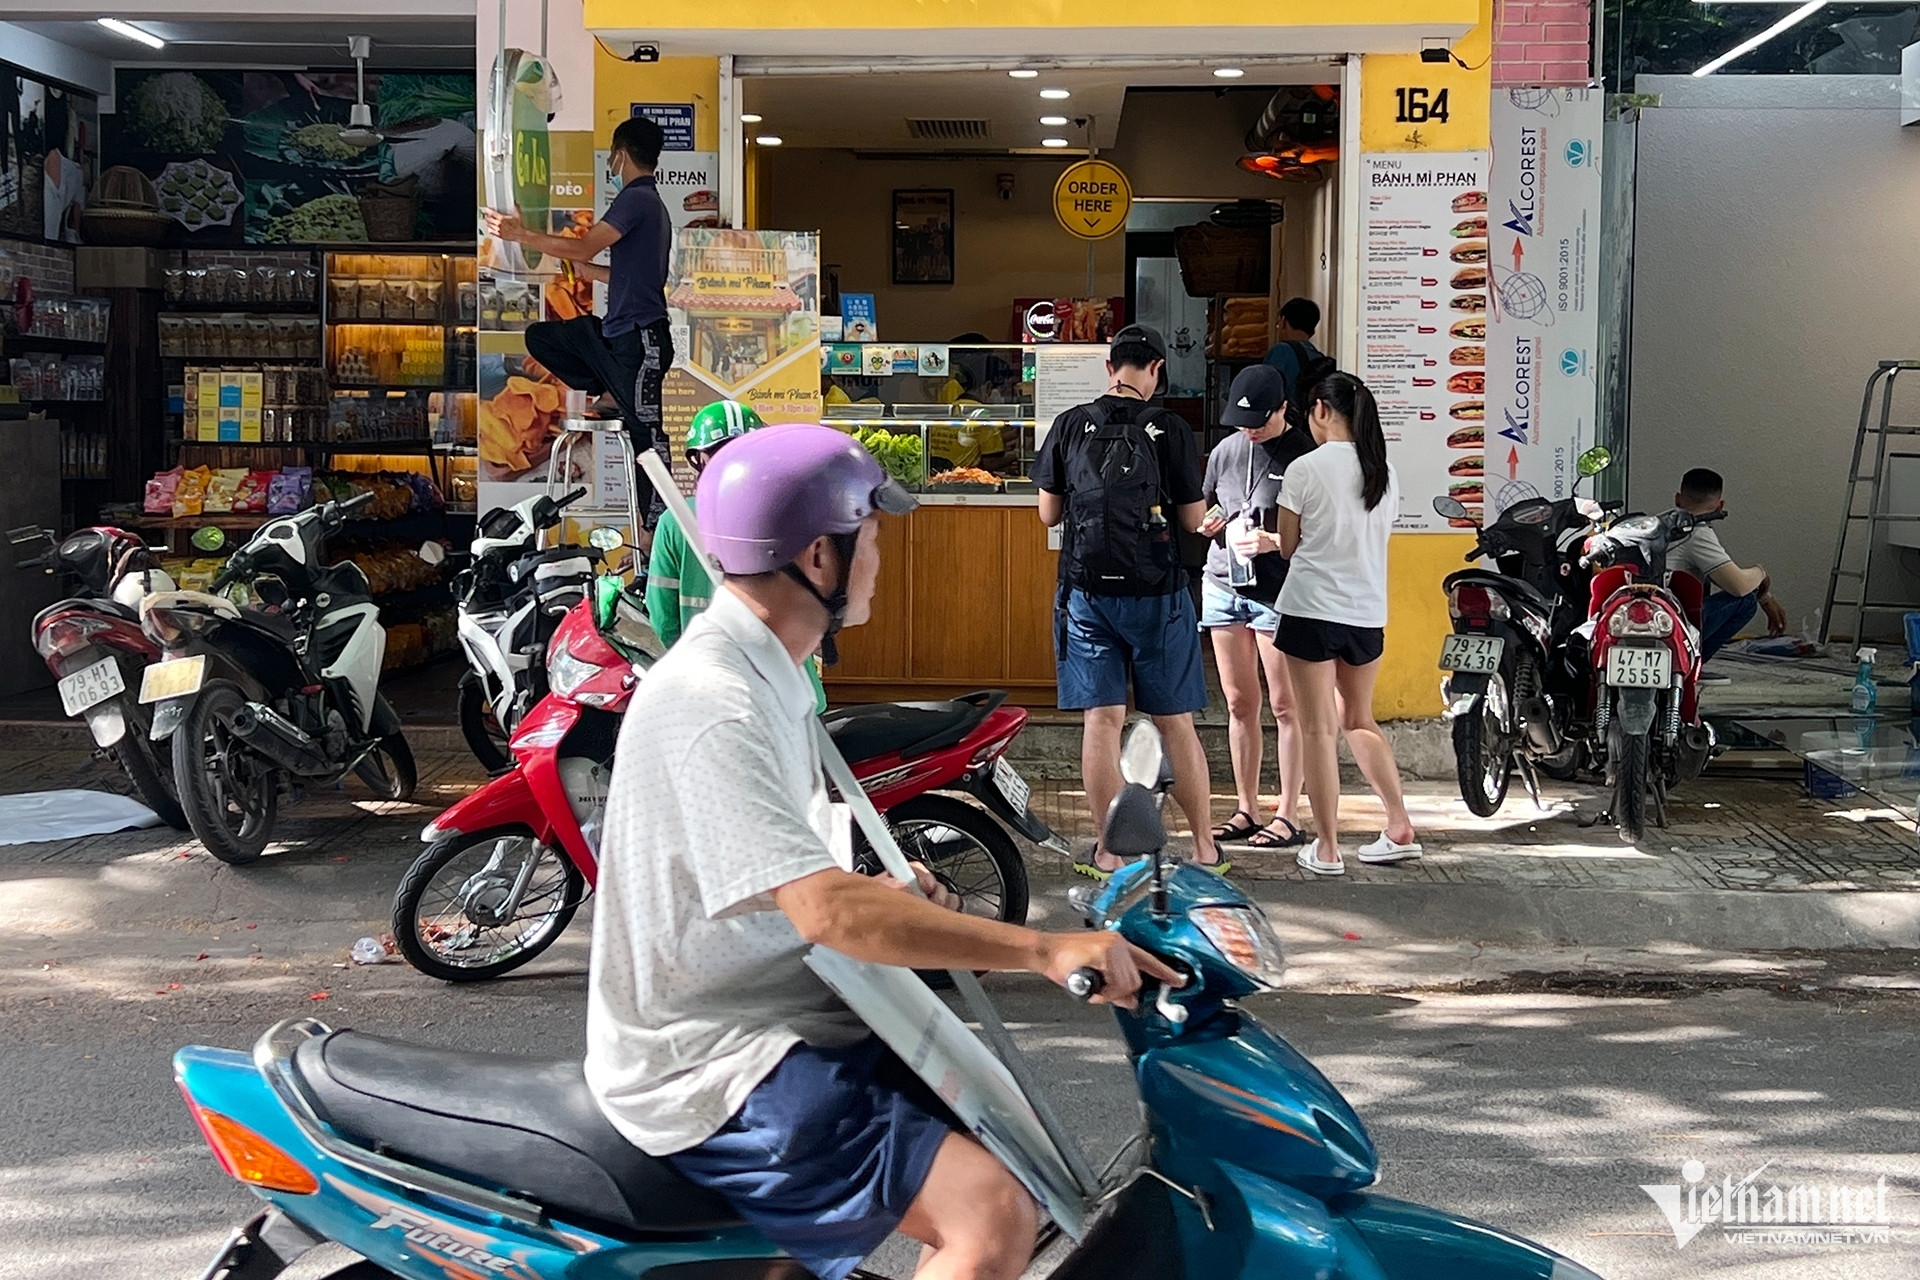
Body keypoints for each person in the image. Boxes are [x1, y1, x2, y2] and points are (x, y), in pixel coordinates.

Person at [586, 423, 1180, 1280]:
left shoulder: (769, 672)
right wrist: (1044, 949)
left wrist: (889, 884)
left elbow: (772, 850)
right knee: (992, 1217)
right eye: (871, 538)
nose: (880, 559)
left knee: (1021, 1144)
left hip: (786, 1008)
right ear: (817, 558)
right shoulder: (713, 699)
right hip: (710, 1051)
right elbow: (823, 912)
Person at [1033, 323, 1219, 878]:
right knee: (1175, 723)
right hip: (1158, 595)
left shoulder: (1070, 425)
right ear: (1157, 369)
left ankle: (1110, 850)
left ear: (1108, 368)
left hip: (1087, 594)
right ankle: (1207, 848)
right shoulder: (1170, 428)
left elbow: (1048, 514)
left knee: (1102, 721)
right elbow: (1191, 518)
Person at [1272, 371, 1422, 876]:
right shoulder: (1385, 471)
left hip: (1312, 609)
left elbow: (1288, 546)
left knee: (1315, 729)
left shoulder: (1304, 468)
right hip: (1366, 614)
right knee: (1359, 719)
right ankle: (1399, 825)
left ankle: (1328, 848)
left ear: (1319, 410)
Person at [483, 116, 673, 478]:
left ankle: (653, 530)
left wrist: (519, 234)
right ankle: (610, 389)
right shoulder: (648, 204)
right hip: (622, 337)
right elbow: (634, 276)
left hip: (640, 338)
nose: (610, 166)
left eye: (611, 159)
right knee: (543, 337)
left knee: (645, 438)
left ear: (620, 155)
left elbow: (584, 245)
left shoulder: (636, 199)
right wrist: (592, 274)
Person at [1198, 364, 1316, 851]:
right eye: (1242, 421)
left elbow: (1321, 529)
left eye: (1259, 422)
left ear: (1284, 409)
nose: (1249, 430)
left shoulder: (1306, 455)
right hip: (1224, 582)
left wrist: (1275, 541)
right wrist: (1211, 524)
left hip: (1278, 590)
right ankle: (1246, 806)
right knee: (1240, 703)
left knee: (1287, 705)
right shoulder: (1226, 451)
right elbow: (1208, 507)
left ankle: (1287, 811)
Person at [646, 398, 826, 710]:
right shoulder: (786, 513)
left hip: (714, 697)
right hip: (792, 695)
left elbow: (663, 624)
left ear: (699, 459)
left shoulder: (675, 523)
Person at [1669, 467, 1787, 662]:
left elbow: (1722, 576)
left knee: (1703, 581)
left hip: (1647, 616)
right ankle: (1691, 662)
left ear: (1677, 499)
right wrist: (1762, 573)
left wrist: (1765, 596)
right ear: (1720, 506)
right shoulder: (1696, 533)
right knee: (1746, 601)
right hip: (1674, 624)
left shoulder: (1660, 524)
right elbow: (1739, 586)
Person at [1261, 297, 1324, 394]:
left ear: (1283, 322)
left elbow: (1265, 390)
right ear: (1313, 332)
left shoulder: (1280, 351)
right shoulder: (1319, 358)